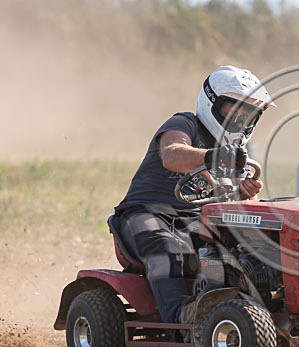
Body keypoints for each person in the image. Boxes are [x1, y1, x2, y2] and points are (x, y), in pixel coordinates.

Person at [113, 65, 276, 325]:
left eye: (247, 116)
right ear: (211, 102)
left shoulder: (236, 153)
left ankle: (232, 309)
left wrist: (244, 194)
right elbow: (172, 154)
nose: (239, 122)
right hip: (144, 214)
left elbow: (238, 205)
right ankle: (181, 315)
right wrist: (215, 157)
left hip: (193, 220)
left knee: (225, 250)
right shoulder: (185, 123)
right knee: (165, 246)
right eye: (232, 113)